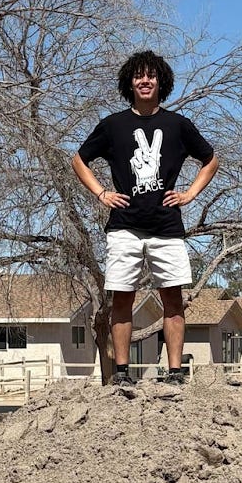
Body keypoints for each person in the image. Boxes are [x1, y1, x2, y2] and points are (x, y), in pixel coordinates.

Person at [72, 50, 219, 385]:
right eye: (139, 75)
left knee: (173, 299)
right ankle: (122, 373)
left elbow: (210, 160)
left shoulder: (178, 125)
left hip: (167, 228)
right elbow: (79, 160)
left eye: (151, 75)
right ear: (130, 83)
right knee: (122, 298)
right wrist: (102, 193)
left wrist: (189, 194)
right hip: (124, 228)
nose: (145, 81)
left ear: (161, 81)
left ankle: (175, 372)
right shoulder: (113, 125)